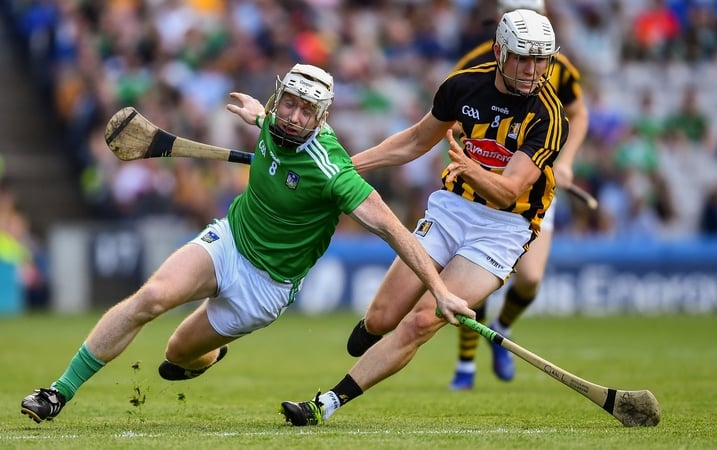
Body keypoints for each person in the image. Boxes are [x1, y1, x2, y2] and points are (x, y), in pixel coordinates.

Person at [19, 63, 473, 423]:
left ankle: (210, 354)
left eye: (305, 111)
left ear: (321, 118)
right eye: (288, 103)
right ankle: (58, 392)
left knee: (178, 353)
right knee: (152, 298)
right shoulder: (273, 122)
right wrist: (258, 114)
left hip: (266, 287)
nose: (292, 117)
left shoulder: (334, 172)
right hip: (230, 241)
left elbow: (395, 231)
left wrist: (438, 289)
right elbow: (268, 120)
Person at [280, 9, 567, 426]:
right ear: (499, 52)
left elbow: (508, 190)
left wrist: (471, 169)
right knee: (382, 318)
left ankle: (325, 403)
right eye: (522, 58)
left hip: (503, 228)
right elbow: (415, 141)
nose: (531, 70)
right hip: (453, 209)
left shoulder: (549, 115)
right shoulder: (463, 87)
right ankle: (375, 331)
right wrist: (343, 168)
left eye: (540, 59)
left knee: (419, 322)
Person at [448, 0, 589, 391]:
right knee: (471, 273)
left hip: (533, 190)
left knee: (529, 279)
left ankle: (502, 327)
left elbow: (579, 114)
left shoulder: (558, 68)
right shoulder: (475, 63)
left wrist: (566, 161)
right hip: (482, 185)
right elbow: (452, 120)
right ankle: (465, 364)